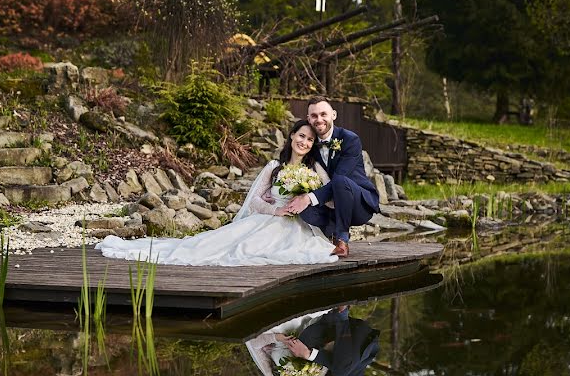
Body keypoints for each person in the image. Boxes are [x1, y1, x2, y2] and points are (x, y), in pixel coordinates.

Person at [94, 120, 338, 266]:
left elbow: (330, 192)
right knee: (219, 246)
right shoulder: (274, 167)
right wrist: (277, 209)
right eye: (301, 136)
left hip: (299, 225)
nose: (304, 142)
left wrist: (307, 202)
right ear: (293, 136)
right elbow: (253, 200)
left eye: (309, 139)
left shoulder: (314, 169)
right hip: (270, 219)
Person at [281, 96, 380, 258]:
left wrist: (308, 198)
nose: (319, 120)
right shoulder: (310, 144)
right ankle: (326, 235)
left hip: (358, 203)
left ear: (333, 115)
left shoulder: (350, 139)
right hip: (330, 205)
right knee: (305, 211)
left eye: (323, 114)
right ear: (308, 119)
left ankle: (342, 240)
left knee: (339, 181)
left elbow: (338, 180)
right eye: (314, 116)